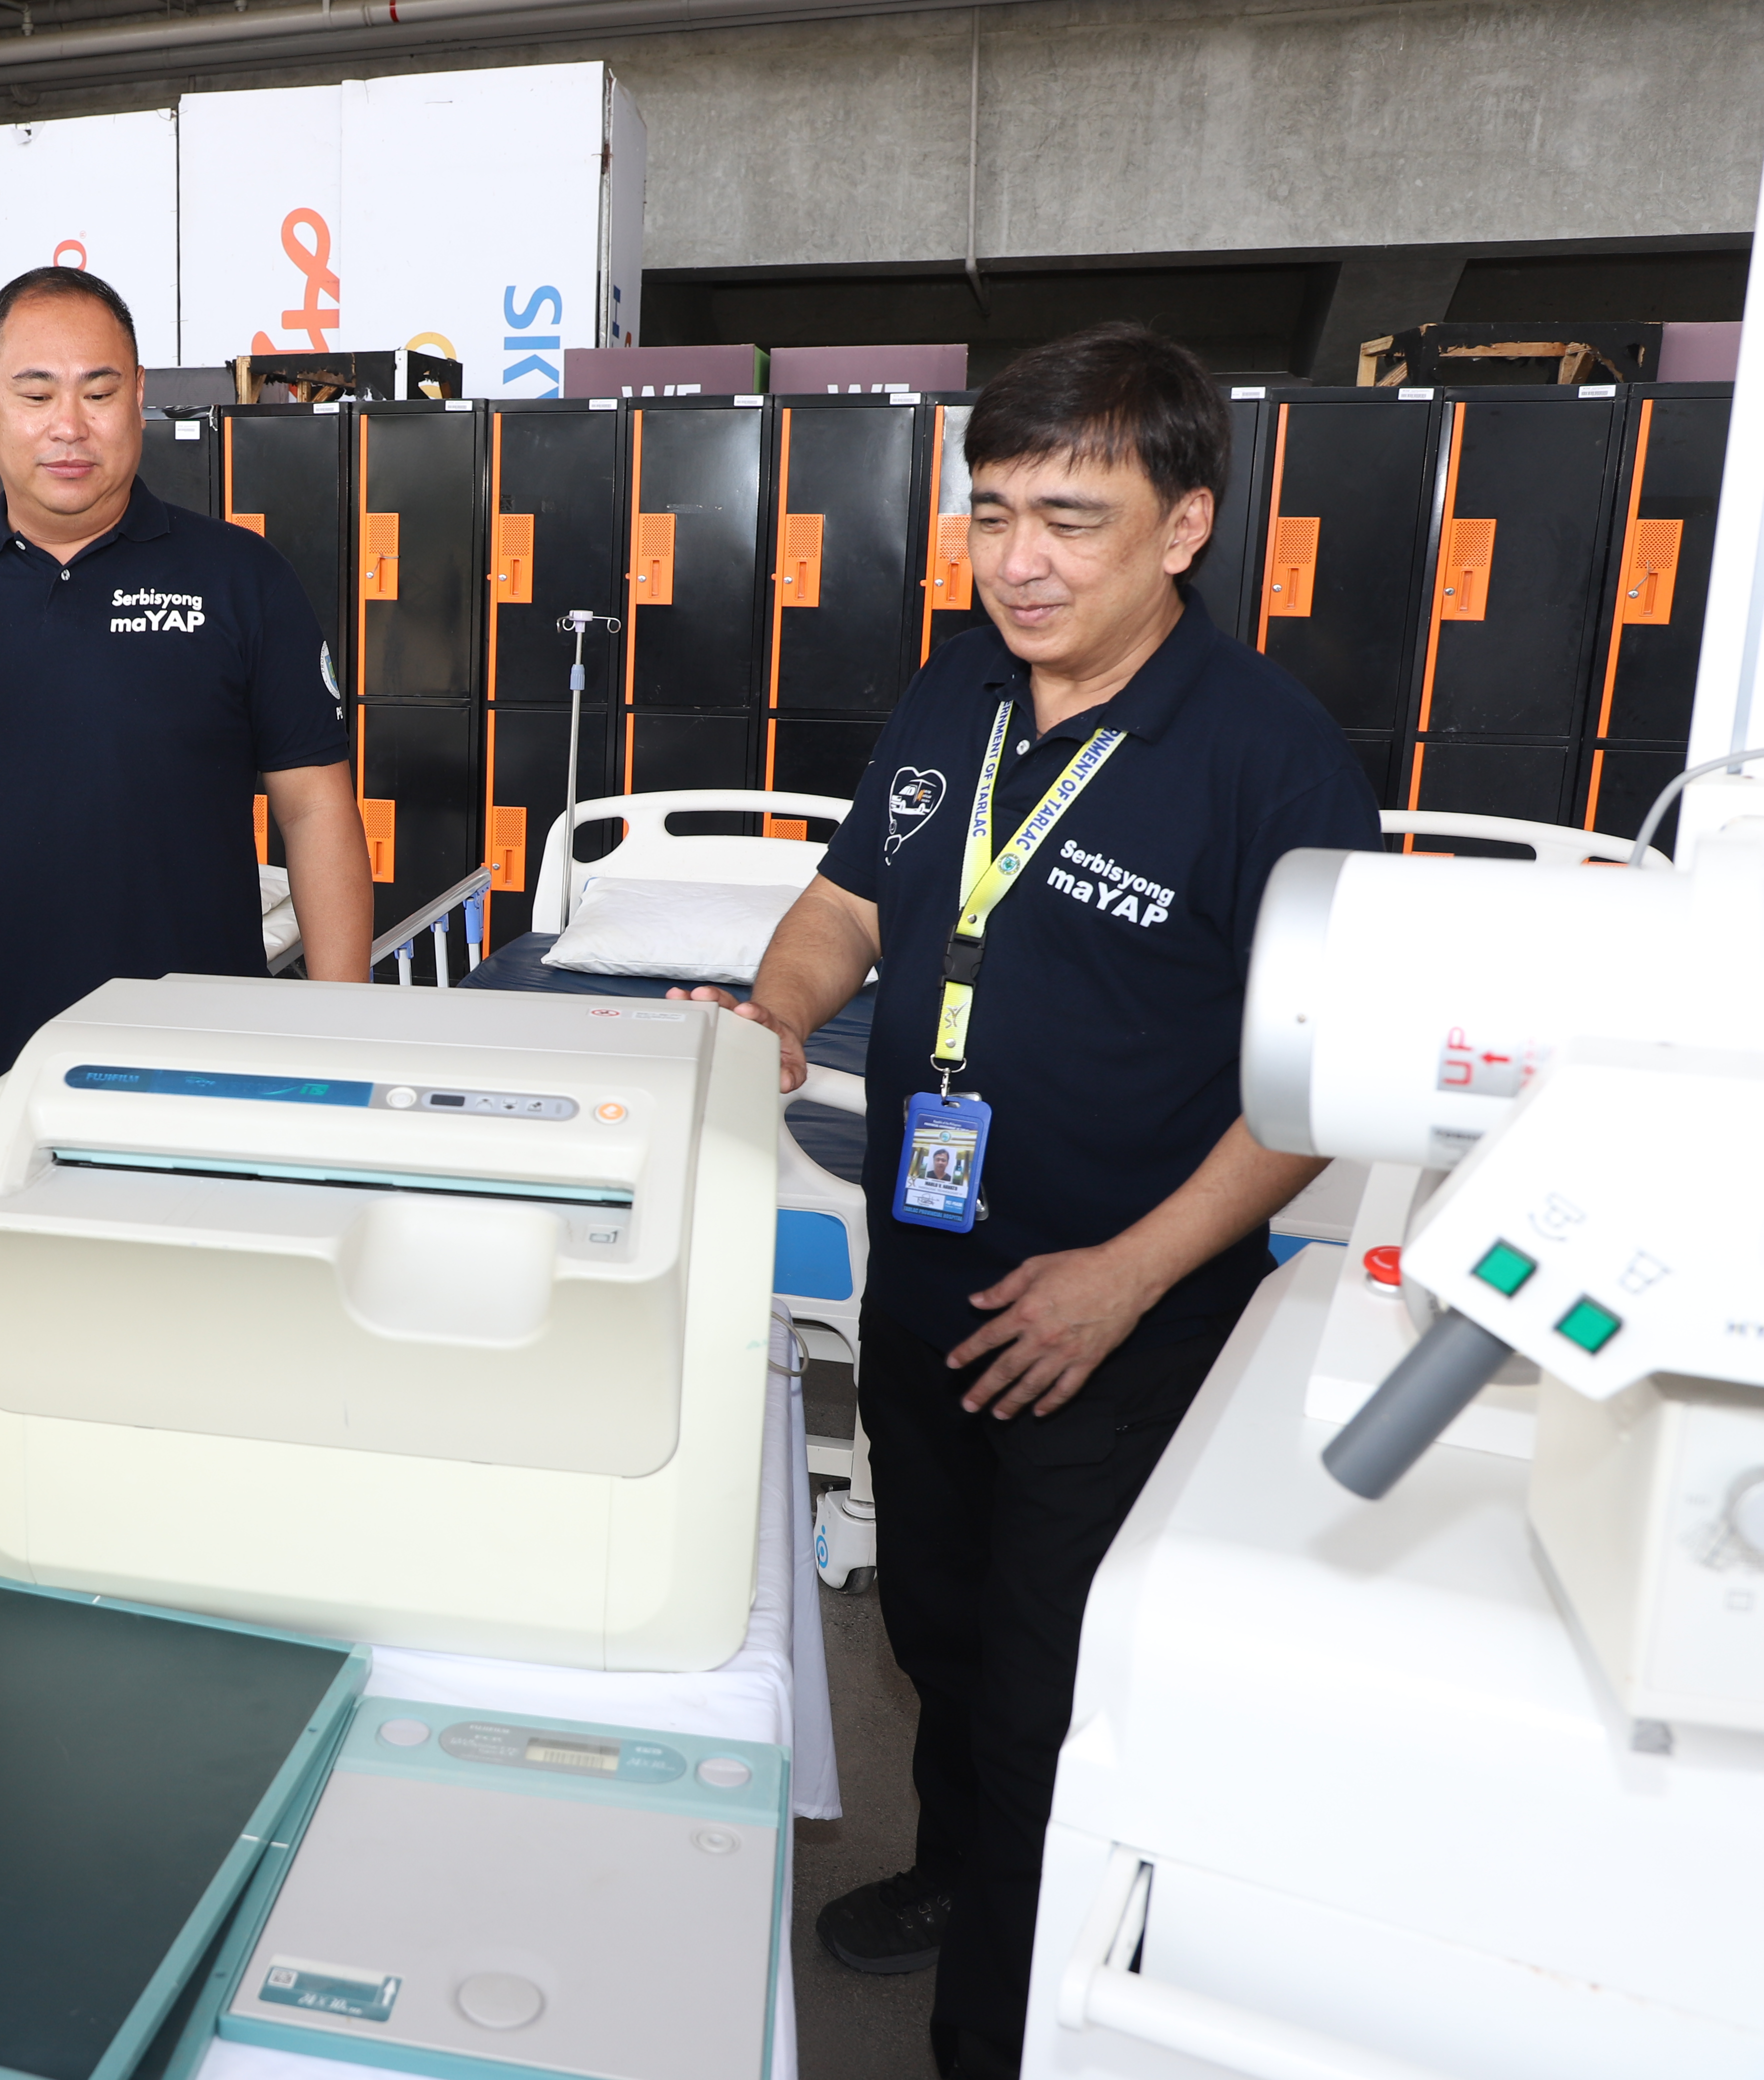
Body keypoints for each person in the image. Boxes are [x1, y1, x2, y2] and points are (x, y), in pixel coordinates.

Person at [686, 325, 1378, 2079]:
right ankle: (961, 1873)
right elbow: (850, 905)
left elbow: (1316, 1085)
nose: (1020, 561)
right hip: (929, 1283)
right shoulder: (957, 695)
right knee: (937, 1629)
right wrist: (775, 1014)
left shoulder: (1271, 760)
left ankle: (998, 2024)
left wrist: (1125, 1279)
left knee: (1049, 1698)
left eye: (1072, 518)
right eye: (992, 512)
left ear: (1185, 527)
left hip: (1117, 1329)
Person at [0, 266, 373, 1165]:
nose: (69, 426)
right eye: (36, 393)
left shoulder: (240, 579)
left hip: (209, 1072)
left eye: (99, 392)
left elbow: (317, 808)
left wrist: (340, 1029)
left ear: (138, 398)